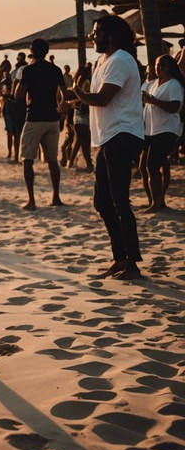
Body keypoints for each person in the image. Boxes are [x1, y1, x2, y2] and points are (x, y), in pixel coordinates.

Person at [66, 15, 144, 280]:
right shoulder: (103, 61)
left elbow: (102, 98)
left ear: (110, 36)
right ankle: (120, 258)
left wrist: (77, 91)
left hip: (123, 135)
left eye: (96, 33)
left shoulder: (121, 59)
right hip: (108, 137)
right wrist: (73, 103)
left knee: (120, 201)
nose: (92, 36)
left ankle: (132, 263)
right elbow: (96, 99)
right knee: (102, 202)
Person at [14, 38, 66, 210]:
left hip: (34, 118)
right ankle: (56, 197)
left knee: (27, 159)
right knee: (52, 160)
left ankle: (31, 200)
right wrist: (62, 108)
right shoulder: (56, 69)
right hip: (52, 118)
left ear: (32, 51)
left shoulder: (28, 70)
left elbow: (18, 95)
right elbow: (65, 93)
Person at [141, 55, 184, 213]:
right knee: (145, 165)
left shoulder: (174, 84)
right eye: (157, 65)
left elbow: (175, 107)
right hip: (151, 129)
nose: (159, 68)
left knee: (151, 165)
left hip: (166, 129)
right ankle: (156, 201)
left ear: (170, 67)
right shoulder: (153, 84)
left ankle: (156, 203)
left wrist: (153, 101)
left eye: (163, 65)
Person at [67, 65, 93, 171]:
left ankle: (72, 162)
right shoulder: (87, 82)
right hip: (84, 114)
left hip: (76, 114)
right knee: (84, 140)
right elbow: (87, 96)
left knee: (79, 140)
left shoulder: (75, 82)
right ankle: (88, 163)